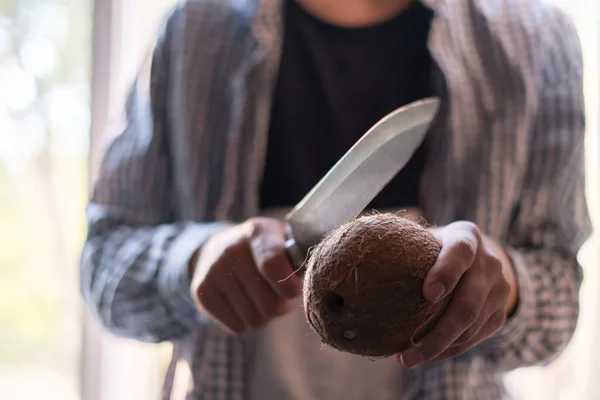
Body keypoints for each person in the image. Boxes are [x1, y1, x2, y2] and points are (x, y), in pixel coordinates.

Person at [80, 0, 593, 398]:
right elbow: (103, 265)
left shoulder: (535, 39)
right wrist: (189, 260)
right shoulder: (196, 27)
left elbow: (561, 297)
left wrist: (503, 287)